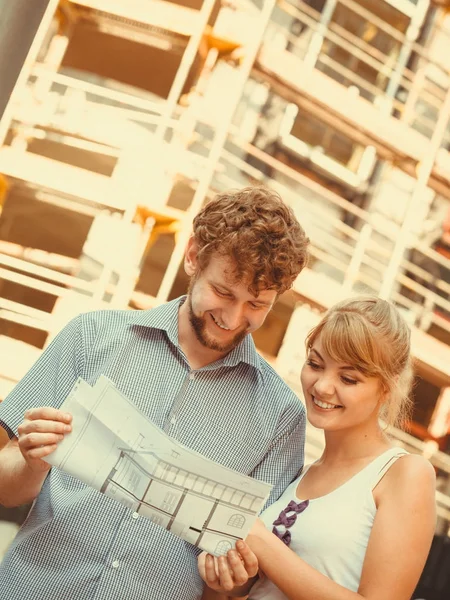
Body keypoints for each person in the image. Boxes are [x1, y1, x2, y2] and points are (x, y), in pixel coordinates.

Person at [0, 186, 309, 600]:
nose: (233, 318)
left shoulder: (282, 418)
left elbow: (243, 581)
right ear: (193, 256)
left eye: (257, 304)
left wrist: (228, 582)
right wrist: (31, 463)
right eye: (223, 292)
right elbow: (6, 488)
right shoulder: (91, 336)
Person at [199, 296, 437, 600]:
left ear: (386, 390)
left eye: (348, 378)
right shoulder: (299, 474)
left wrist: (261, 540)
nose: (322, 386)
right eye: (315, 364)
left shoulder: (405, 474)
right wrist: (228, 585)